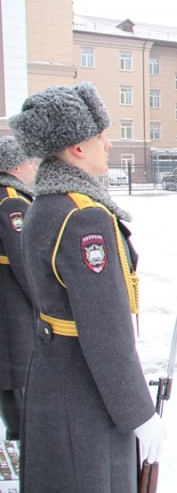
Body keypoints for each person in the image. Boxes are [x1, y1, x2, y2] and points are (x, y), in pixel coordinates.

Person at [9, 83, 164, 491]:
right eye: (100, 135)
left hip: (55, 374)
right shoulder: (83, 217)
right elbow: (104, 328)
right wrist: (138, 412)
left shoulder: (45, 204)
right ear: (78, 147)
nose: (108, 144)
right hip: (85, 387)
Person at [0, 136, 36, 442]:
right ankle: (21, 437)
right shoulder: (12, 200)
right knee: (16, 369)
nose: (33, 167)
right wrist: (42, 299)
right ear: (14, 166)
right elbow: (23, 258)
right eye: (28, 161)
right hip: (12, 302)